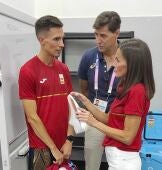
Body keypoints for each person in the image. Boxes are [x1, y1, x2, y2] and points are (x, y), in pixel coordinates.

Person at [72, 38, 155, 170]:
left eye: (118, 60)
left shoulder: (137, 91)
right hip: (116, 159)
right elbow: (109, 119)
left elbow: (127, 137)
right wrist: (86, 102)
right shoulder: (125, 87)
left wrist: (93, 123)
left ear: (132, 64)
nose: (113, 64)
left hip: (124, 160)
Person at [18, 15, 74, 170]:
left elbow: (71, 107)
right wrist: (53, 148)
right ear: (41, 40)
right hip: (42, 148)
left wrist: (69, 140)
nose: (61, 44)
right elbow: (32, 117)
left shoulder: (63, 69)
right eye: (56, 39)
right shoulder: (27, 71)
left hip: (63, 145)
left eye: (62, 39)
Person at [78, 11, 121, 170]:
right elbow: (83, 89)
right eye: (96, 35)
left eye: (103, 35)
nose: (98, 40)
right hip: (95, 121)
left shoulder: (127, 57)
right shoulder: (89, 56)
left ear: (116, 33)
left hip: (119, 123)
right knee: (91, 165)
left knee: (119, 165)